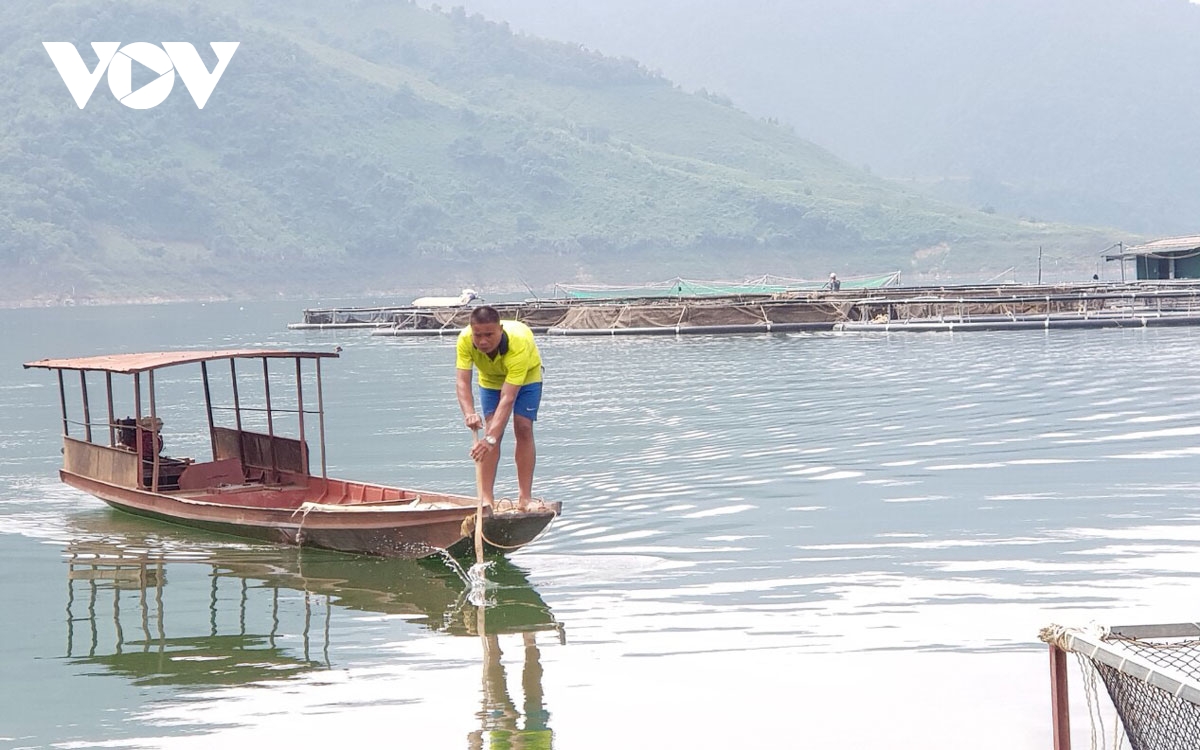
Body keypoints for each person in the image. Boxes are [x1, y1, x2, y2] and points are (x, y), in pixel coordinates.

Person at [455, 305, 543, 509]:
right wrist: (469, 413)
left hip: (527, 377)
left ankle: (525, 498)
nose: (483, 341)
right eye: (478, 335)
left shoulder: (518, 342)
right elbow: (462, 381)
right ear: (471, 331)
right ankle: (486, 499)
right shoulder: (464, 340)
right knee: (490, 429)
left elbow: (509, 397)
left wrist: (491, 439)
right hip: (490, 380)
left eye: (489, 335)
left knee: (522, 427)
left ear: (500, 329)